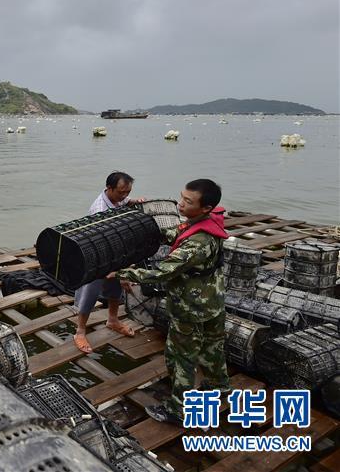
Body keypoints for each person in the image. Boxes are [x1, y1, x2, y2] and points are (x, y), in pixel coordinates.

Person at [107, 178, 229, 424]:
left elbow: (162, 272)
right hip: (213, 301)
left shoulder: (198, 243)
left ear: (205, 207)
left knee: (181, 356)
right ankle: (219, 386)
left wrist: (123, 273)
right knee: (213, 346)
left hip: (190, 307)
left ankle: (179, 409)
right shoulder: (210, 222)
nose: (180, 204)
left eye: (188, 201)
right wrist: (154, 232)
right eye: (181, 197)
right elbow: (179, 232)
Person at [73, 171, 141, 353]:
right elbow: (104, 245)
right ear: (109, 189)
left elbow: (124, 201)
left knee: (114, 287)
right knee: (90, 292)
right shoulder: (100, 211)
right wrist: (123, 271)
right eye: (121, 192)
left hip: (114, 251)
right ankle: (80, 331)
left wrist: (132, 201)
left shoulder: (117, 199)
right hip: (97, 256)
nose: (124, 196)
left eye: (128, 192)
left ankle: (112, 320)